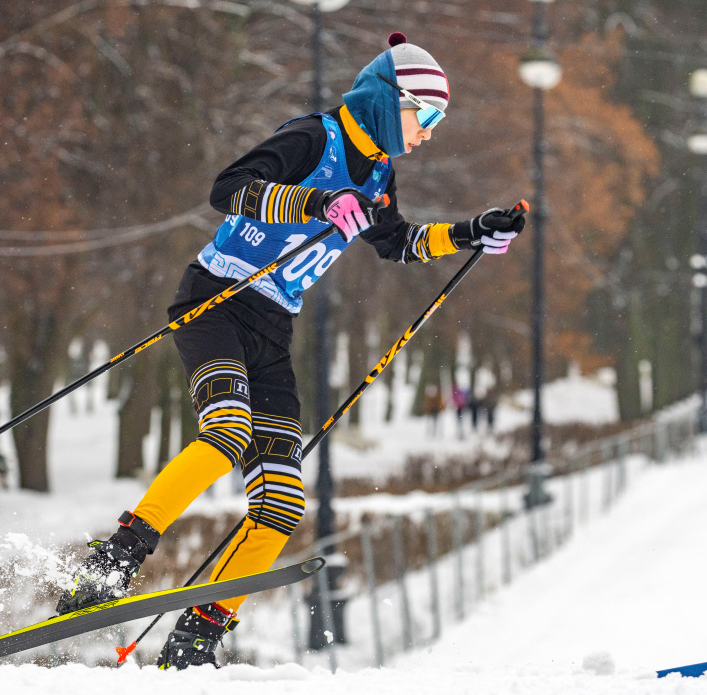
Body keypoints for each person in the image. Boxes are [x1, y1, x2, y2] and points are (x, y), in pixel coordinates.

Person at [57, 32, 525, 670]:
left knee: (281, 501)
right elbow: (230, 189)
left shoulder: (381, 172)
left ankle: (197, 635)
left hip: (274, 326)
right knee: (226, 433)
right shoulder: (315, 137)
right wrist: (319, 202)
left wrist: (473, 233)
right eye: (429, 116)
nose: (431, 132)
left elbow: (397, 243)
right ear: (392, 102)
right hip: (217, 297)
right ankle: (117, 558)